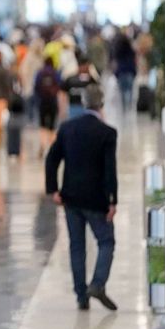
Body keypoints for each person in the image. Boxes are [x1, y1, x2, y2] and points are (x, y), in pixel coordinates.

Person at [45, 84, 118, 312]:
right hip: (96, 199)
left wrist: (53, 189)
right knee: (106, 241)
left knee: (77, 246)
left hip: (71, 198)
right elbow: (109, 170)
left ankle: (81, 296)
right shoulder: (107, 133)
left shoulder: (67, 128)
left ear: (83, 103)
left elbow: (51, 159)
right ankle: (97, 284)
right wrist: (113, 200)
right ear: (102, 104)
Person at [34, 57, 62, 157]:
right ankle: (52, 147)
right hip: (52, 102)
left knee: (42, 125)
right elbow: (59, 85)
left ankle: (42, 145)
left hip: (42, 102)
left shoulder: (40, 73)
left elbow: (36, 87)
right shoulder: (55, 73)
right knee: (52, 126)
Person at [62, 56, 99, 120]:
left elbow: (97, 92)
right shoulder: (71, 79)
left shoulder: (91, 80)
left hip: (87, 108)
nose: (88, 68)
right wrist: (63, 110)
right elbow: (63, 93)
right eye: (87, 66)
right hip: (73, 107)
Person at [19, 38, 46, 124]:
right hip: (30, 83)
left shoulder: (41, 57)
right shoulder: (29, 56)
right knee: (29, 102)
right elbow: (24, 70)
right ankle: (29, 120)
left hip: (39, 85)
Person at [112, 32, 137, 111]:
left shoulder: (118, 49)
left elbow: (115, 60)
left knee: (122, 91)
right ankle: (129, 105)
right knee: (129, 90)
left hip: (121, 71)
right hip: (130, 71)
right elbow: (134, 59)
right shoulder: (130, 49)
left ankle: (124, 107)